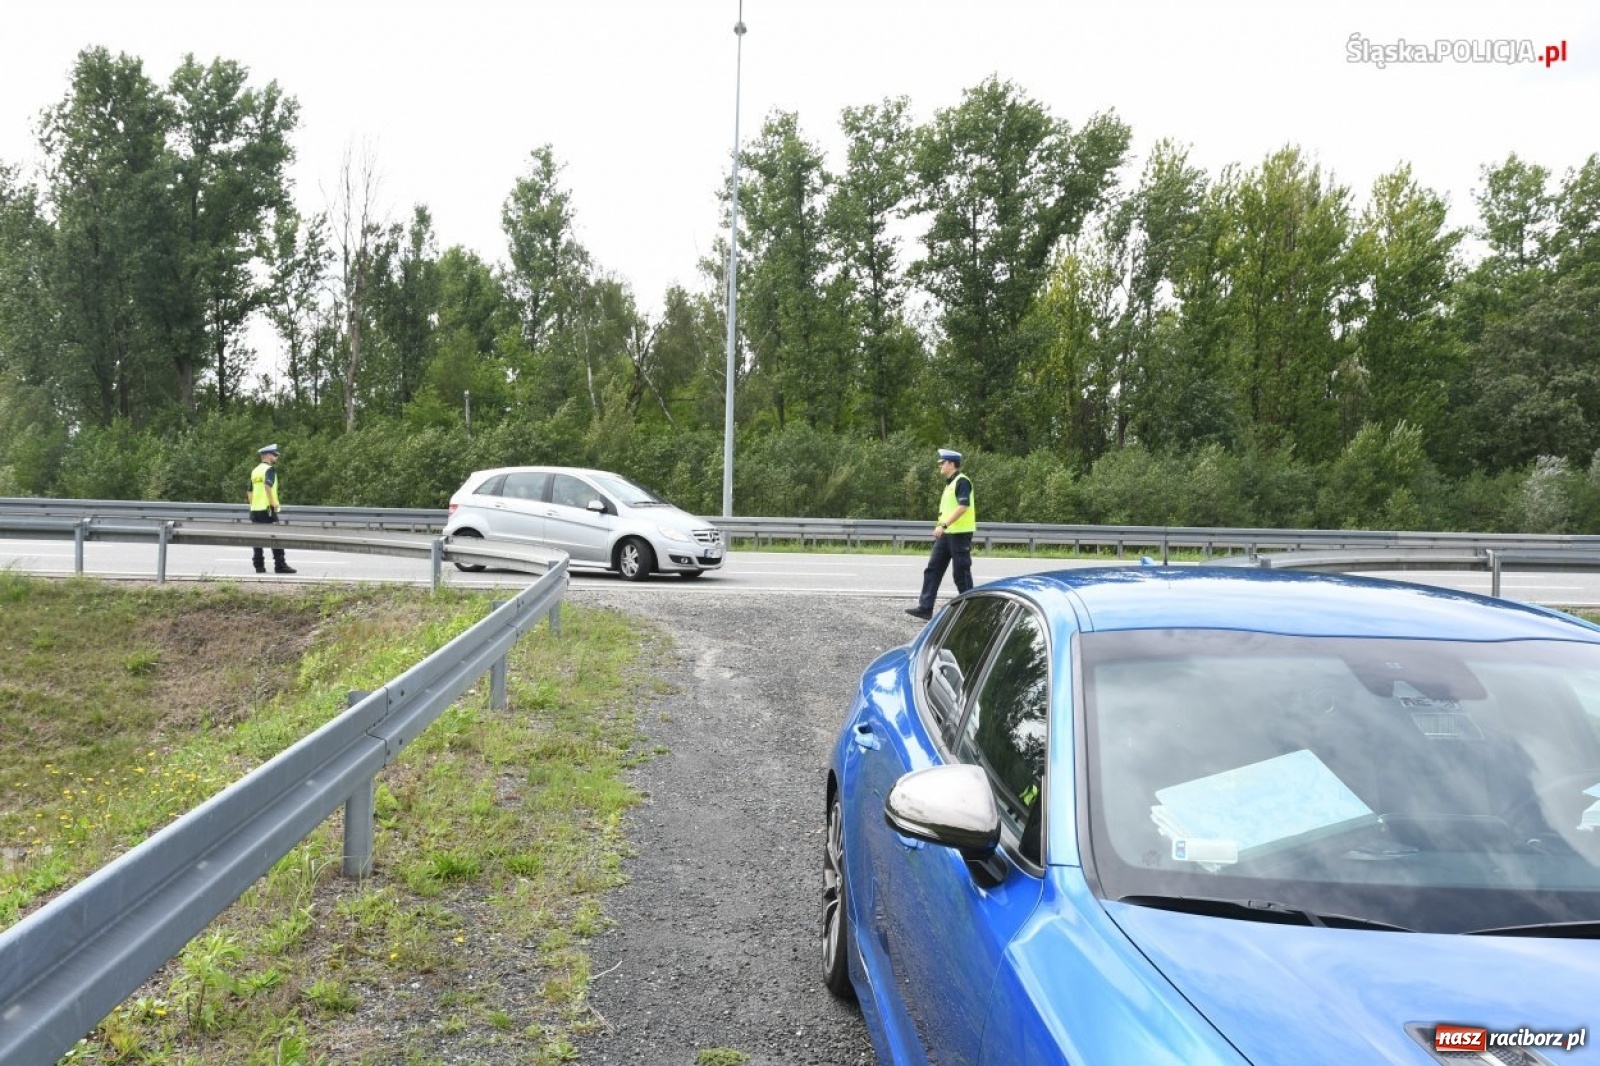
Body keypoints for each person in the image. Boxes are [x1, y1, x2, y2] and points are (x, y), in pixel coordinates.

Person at [906, 448, 975, 620]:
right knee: (933, 569)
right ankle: (925, 608)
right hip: (946, 535)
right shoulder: (950, 484)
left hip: (959, 534)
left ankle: (972, 612)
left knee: (961, 574)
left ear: (951, 464)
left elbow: (963, 506)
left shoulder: (962, 481)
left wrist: (943, 525)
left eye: (942, 463)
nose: (940, 466)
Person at [248, 444, 296, 574]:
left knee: (257, 538)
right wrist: (273, 502)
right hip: (268, 509)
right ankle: (280, 565)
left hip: (255, 509)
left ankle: (259, 566)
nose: (277, 457)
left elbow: (249, 491)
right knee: (276, 537)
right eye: (275, 455)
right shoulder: (269, 470)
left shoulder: (255, 470)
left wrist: (253, 505)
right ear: (268, 455)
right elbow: (267, 486)